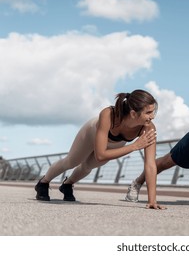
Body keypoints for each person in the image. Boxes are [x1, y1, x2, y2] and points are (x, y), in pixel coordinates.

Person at [34, 89, 166, 209]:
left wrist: (152, 201)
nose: (153, 116)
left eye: (153, 111)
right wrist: (134, 146)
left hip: (115, 144)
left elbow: (150, 164)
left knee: (87, 166)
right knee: (71, 162)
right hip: (91, 133)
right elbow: (101, 155)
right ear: (133, 113)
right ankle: (43, 182)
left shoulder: (148, 128)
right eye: (148, 112)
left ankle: (67, 185)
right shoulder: (108, 114)